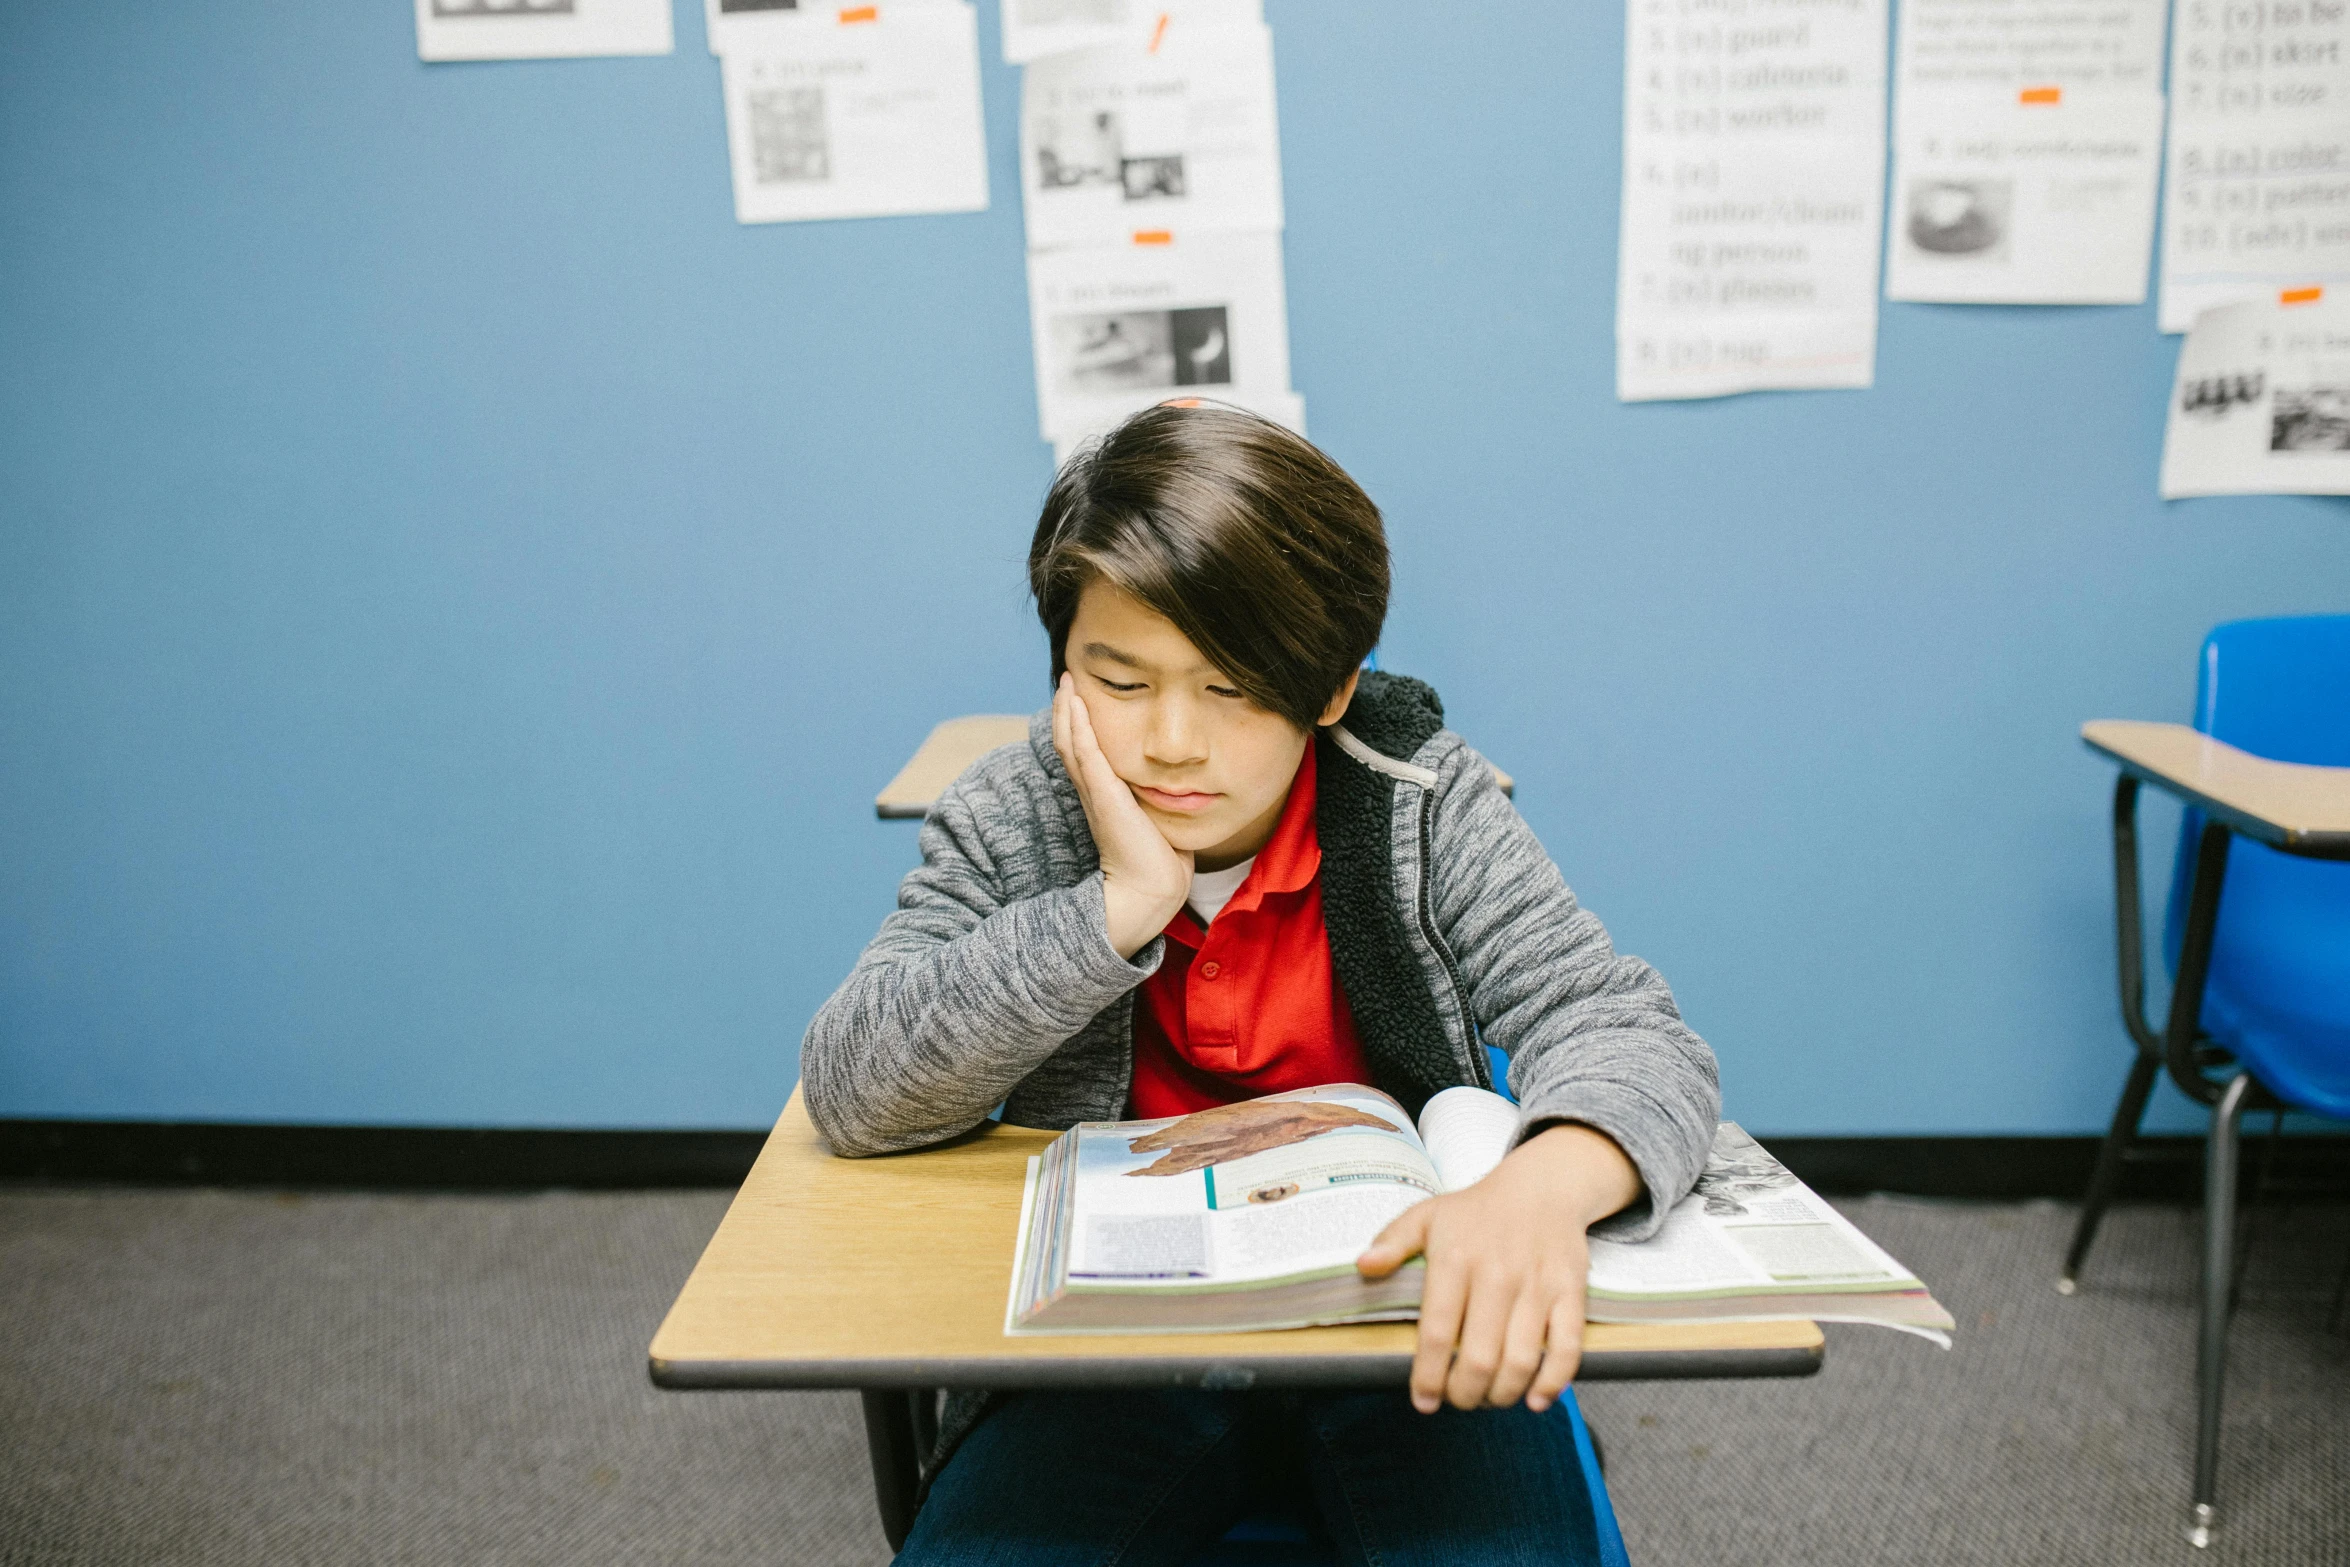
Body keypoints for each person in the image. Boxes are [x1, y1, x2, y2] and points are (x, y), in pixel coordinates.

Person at [802, 403, 1719, 1565]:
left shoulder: (1418, 801)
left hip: (1399, 1326)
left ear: (1329, 687)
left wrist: (1534, 1194)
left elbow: (1622, 1025)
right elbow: (854, 1086)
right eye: (1118, 681)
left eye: (1231, 689)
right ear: (1061, 670)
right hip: (1114, 1347)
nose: (1171, 743)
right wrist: (1113, 909)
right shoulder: (1015, 809)